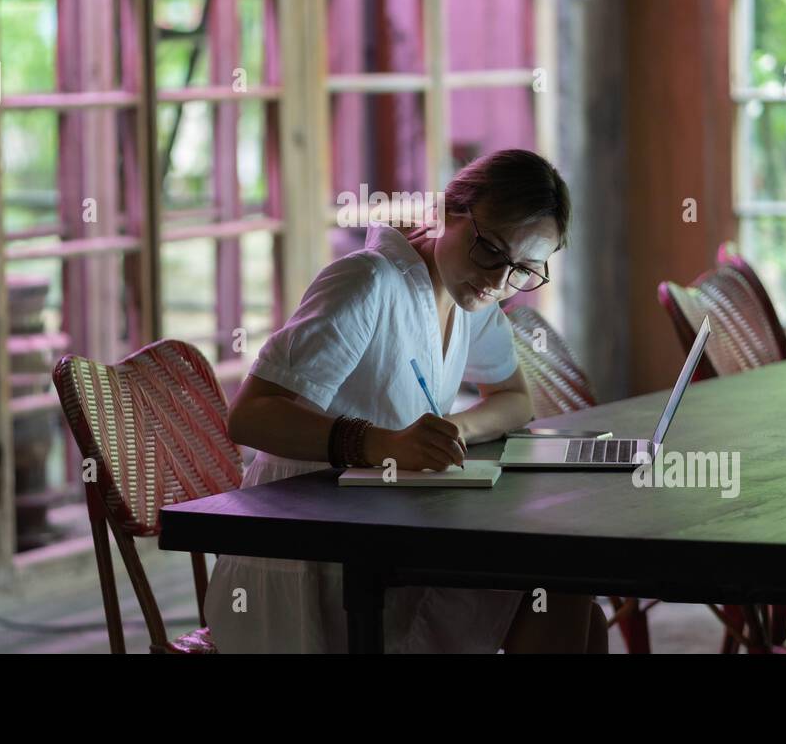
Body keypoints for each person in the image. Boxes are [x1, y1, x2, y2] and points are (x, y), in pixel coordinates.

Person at [203, 148, 609, 653]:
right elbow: (250, 416)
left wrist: (453, 431)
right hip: (306, 554)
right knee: (560, 597)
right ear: (445, 212)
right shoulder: (368, 282)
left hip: (383, 530)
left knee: (577, 605)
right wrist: (380, 443)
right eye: (490, 250)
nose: (500, 282)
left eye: (525, 270)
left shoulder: (469, 297)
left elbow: (513, 400)